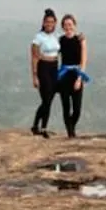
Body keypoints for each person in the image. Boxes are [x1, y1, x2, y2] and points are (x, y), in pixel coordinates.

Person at [56, 14, 90, 138]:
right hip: (64, 75)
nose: (68, 27)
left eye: (70, 24)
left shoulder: (80, 40)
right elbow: (54, 54)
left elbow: (83, 60)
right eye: (65, 25)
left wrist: (80, 78)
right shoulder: (60, 40)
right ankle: (71, 134)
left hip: (76, 74)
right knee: (66, 107)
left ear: (74, 26)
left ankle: (71, 127)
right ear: (62, 27)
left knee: (77, 109)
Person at [29, 8, 61, 137]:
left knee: (49, 99)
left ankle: (35, 125)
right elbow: (34, 57)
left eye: (52, 22)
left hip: (54, 67)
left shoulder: (57, 36)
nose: (49, 24)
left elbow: (68, 43)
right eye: (47, 22)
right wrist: (35, 76)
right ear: (43, 23)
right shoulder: (38, 38)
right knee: (46, 98)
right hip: (43, 67)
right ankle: (44, 127)